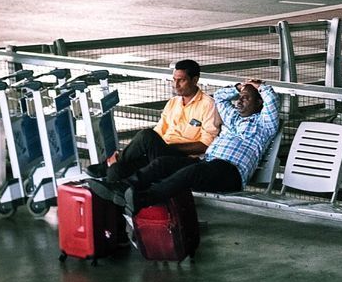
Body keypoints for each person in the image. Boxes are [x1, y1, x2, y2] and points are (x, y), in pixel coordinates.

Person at [120, 78, 280, 214]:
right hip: (208, 163)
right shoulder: (233, 117)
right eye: (240, 97)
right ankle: (123, 188)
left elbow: (272, 100)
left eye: (246, 98)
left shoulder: (265, 124)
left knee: (192, 172)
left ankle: (143, 199)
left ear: (259, 102)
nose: (239, 100)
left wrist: (259, 86)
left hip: (231, 173)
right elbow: (219, 97)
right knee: (163, 163)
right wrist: (239, 87)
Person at [101, 59, 220, 182]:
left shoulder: (208, 105)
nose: (176, 85)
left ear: (195, 80)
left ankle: (109, 162)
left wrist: (170, 147)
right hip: (160, 152)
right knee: (116, 170)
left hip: (183, 158)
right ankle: (116, 184)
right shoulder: (173, 102)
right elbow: (158, 133)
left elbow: (206, 145)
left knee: (145, 135)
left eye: (181, 80)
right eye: (174, 80)